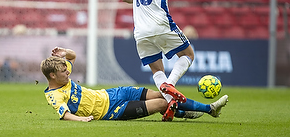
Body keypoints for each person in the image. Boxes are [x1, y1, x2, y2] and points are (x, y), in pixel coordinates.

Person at [121, 0, 226, 120]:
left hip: (140, 32)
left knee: (156, 70)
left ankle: (173, 104)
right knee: (188, 54)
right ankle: (169, 84)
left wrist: (139, 0)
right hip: (161, 25)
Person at [41, 47, 228, 122]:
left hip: (111, 93)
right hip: (112, 111)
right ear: (52, 76)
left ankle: (204, 109)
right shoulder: (54, 95)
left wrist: (65, 52)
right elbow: (64, 114)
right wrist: (83, 119)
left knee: (165, 95)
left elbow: (72, 57)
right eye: (63, 71)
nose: (68, 72)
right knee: (163, 103)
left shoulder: (62, 74)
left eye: (67, 69)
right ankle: (206, 109)